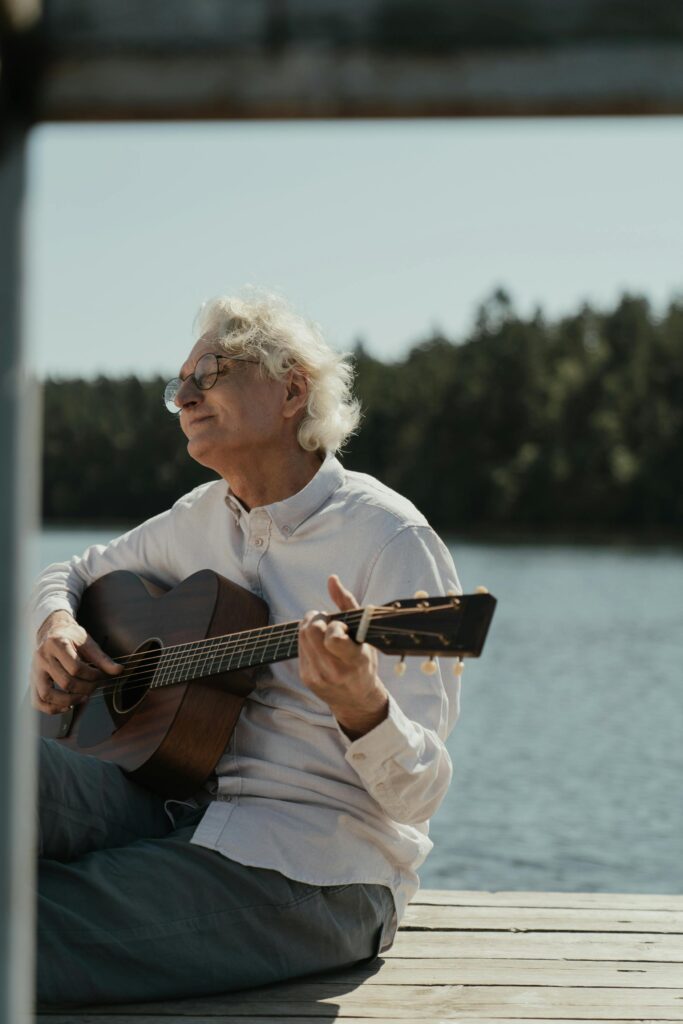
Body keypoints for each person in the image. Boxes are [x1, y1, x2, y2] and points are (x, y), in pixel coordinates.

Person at [31, 292, 461, 1006]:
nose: (185, 397)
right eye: (178, 386)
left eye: (212, 372)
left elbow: (417, 795)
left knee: (27, 933)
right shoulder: (198, 518)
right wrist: (57, 625)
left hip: (314, 866)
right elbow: (71, 572)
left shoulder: (390, 540)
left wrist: (364, 708)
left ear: (292, 389)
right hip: (165, 801)